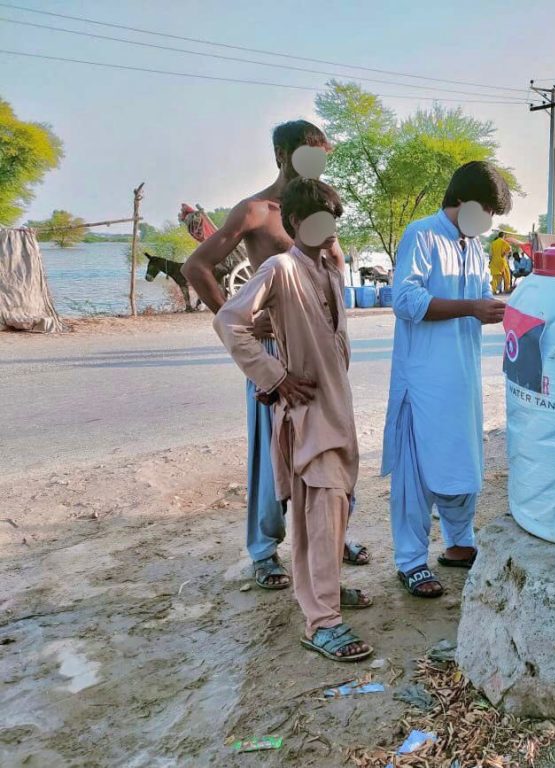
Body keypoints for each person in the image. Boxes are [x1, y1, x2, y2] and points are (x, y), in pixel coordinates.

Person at [183, 121, 371, 590]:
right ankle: (265, 549)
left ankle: (332, 533)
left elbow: (334, 277)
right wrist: (243, 318)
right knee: (271, 455)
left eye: (322, 154)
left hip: (318, 350)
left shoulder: (321, 207)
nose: (315, 162)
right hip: (273, 351)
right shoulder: (256, 211)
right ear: (281, 154)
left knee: (328, 443)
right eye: (307, 153)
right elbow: (196, 265)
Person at [213, 178, 372, 661]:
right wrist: (274, 377)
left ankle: (322, 589)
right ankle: (322, 622)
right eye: (317, 221)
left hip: (338, 409)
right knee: (319, 510)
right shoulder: (278, 268)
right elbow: (229, 322)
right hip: (305, 413)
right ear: (295, 222)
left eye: (333, 223)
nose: (327, 231)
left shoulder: (332, 270)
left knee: (335, 508)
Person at [383, 161, 510, 598]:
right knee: (416, 470)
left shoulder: (473, 245)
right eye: (487, 210)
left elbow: (472, 300)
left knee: (462, 460)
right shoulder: (423, 233)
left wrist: (488, 308)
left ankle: (459, 544)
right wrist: (472, 308)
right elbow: (405, 300)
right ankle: (411, 561)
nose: (489, 221)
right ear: (464, 201)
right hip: (424, 377)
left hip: (462, 374)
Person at [489, 230, 513, 294]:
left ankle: (494, 290)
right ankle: (506, 289)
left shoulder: (493, 243)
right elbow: (509, 248)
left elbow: (490, 254)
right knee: (506, 275)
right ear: (503, 236)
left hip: (494, 261)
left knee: (495, 277)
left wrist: (490, 261)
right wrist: (504, 253)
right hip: (502, 261)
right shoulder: (504, 242)